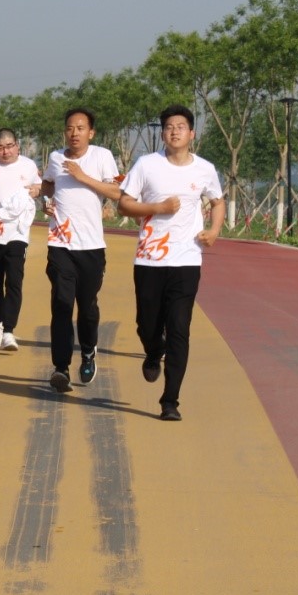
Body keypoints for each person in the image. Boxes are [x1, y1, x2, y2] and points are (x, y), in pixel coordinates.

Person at [118, 105, 224, 420]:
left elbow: (217, 201)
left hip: (187, 259)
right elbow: (124, 204)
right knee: (147, 325)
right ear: (162, 133)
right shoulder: (146, 164)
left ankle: (170, 401)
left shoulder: (205, 169)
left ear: (191, 133)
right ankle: (153, 350)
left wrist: (215, 230)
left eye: (180, 126)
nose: (174, 131)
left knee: (179, 328)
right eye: (168, 126)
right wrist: (159, 207)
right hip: (149, 260)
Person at [41, 107, 121, 393]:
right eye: (70, 128)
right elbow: (48, 185)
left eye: (80, 128)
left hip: (91, 246)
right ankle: (60, 368)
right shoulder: (55, 157)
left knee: (86, 307)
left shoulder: (102, 156)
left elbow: (116, 193)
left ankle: (88, 352)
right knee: (62, 305)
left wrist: (82, 176)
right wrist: (44, 201)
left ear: (91, 132)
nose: (74, 133)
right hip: (61, 243)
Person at [0, 128, 41, 353]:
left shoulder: (29, 166)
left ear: (18, 146)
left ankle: (8, 332)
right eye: (0, 147)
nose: (6, 151)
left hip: (17, 233)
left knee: (14, 280)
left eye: (10, 146)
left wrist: (36, 190)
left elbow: (40, 186)